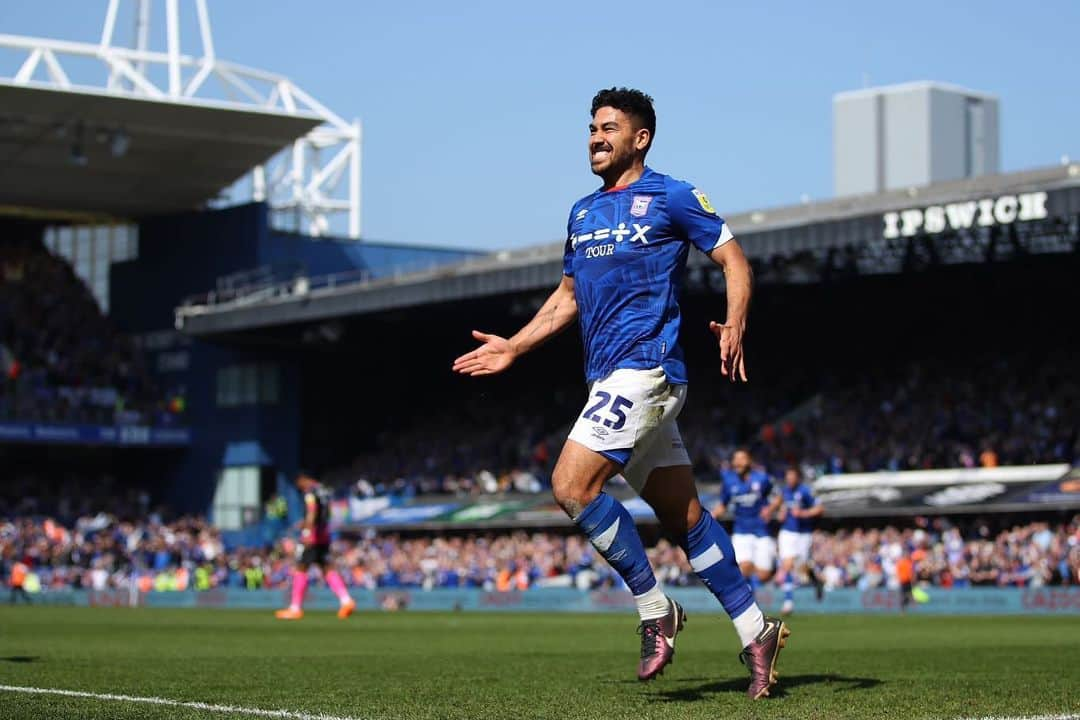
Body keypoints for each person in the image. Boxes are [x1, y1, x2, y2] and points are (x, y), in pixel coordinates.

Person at [453, 87, 788, 700]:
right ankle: (755, 629)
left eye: (609, 128)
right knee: (685, 518)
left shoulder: (673, 196)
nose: (595, 137)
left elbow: (735, 262)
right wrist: (514, 347)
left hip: (647, 369)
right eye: (590, 128)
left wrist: (735, 320)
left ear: (641, 139)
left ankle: (655, 608)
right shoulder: (581, 213)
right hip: (609, 378)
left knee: (571, 486)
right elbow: (567, 299)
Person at [275, 471, 356, 620]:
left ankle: (295, 608)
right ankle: (346, 600)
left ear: (304, 479)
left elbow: (312, 512)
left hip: (313, 537)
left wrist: (307, 531)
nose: (299, 486)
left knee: (301, 567)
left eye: (299, 483)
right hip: (324, 534)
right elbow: (327, 513)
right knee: (327, 568)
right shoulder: (324, 491)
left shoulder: (310, 493)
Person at [713, 449, 781, 587]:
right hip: (741, 531)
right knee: (743, 568)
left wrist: (770, 509)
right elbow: (723, 504)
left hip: (762, 531)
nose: (738, 462)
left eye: (742, 458)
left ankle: (757, 588)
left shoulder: (762, 478)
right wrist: (711, 517)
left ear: (749, 461)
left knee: (764, 574)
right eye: (735, 459)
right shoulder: (729, 481)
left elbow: (779, 497)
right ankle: (749, 603)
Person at [775, 466, 824, 615]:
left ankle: (816, 581)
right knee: (787, 565)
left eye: (792, 476)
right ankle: (788, 602)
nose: (789, 479)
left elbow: (820, 509)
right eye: (787, 477)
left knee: (802, 568)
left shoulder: (806, 491)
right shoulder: (784, 492)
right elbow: (780, 512)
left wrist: (803, 513)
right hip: (787, 532)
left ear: (797, 478)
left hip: (803, 534)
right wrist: (781, 515)